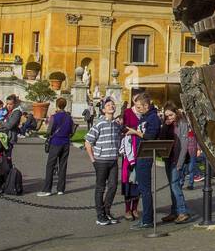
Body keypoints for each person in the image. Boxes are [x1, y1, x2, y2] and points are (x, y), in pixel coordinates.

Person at [84, 96, 123, 225]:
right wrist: (93, 160)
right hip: (101, 161)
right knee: (100, 188)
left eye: (112, 105)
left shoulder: (117, 125)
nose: (111, 107)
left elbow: (121, 136)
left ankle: (106, 211)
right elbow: (88, 142)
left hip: (113, 160)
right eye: (108, 105)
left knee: (112, 186)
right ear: (103, 110)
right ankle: (100, 215)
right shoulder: (99, 124)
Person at [127, 91, 162, 230]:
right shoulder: (145, 116)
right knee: (142, 188)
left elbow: (150, 137)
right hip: (140, 155)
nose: (138, 110)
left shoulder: (152, 118)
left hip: (146, 156)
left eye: (139, 107)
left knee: (145, 189)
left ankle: (147, 220)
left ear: (146, 105)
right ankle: (147, 218)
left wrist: (135, 132)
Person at [158, 104, 192, 223]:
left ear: (176, 113)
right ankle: (174, 212)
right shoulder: (166, 124)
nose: (169, 117)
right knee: (173, 186)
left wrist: (180, 162)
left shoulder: (182, 123)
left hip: (177, 159)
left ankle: (182, 211)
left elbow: (184, 144)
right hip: (168, 158)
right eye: (167, 116)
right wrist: (165, 127)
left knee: (175, 185)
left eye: (171, 115)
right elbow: (161, 139)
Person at [38, 98, 75, 197]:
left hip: (56, 142)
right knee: (63, 165)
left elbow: (49, 131)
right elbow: (72, 131)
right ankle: (61, 189)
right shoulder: (69, 117)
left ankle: (47, 189)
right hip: (66, 143)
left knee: (50, 165)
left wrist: (48, 130)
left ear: (57, 105)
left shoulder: (54, 117)